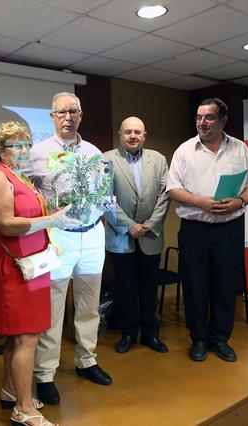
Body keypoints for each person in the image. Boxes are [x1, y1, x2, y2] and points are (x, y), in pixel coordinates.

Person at [0, 121, 80, 426]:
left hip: (33, 266)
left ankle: (10, 390)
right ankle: (23, 409)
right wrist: (52, 220)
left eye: (27, 145)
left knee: (20, 336)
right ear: (1, 150)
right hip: (14, 268)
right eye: (17, 145)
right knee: (26, 337)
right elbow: (7, 224)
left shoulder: (20, 176)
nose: (24, 150)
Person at [21, 92, 112, 406]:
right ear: (52, 117)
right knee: (53, 308)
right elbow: (22, 191)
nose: (68, 117)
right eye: (61, 112)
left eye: (73, 112)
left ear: (81, 116)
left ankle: (87, 359)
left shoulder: (94, 152)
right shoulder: (37, 153)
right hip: (59, 237)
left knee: (89, 304)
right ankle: (45, 374)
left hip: (93, 234)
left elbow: (103, 188)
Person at [166, 98, 248, 363]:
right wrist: (200, 202)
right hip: (194, 230)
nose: (202, 123)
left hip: (229, 230)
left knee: (225, 286)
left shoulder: (240, 149)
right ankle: (198, 339)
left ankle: (220, 339)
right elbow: (173, 189)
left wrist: (239, 201)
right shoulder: (184, 151)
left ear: (223, 121)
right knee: (195, 286)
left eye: (208, 118)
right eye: (199, 118)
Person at [104, 116, 170, 354]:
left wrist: (150, 224)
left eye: (137, 132)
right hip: (120, 236)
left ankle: (151, 334)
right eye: (128, 132)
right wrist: (129, 225)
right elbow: (105, 198)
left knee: (149, 288)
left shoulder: (159, 159)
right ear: (120, 135)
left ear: (144, 135)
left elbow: (165, 195)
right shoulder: (106, 159)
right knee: (126, 288)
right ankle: (129, 333)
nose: (132, 136)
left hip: (151, 236)